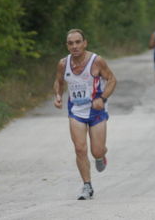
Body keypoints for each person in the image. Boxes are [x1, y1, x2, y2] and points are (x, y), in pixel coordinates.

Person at [53, 29, 117, 200]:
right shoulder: (63, 64)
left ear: (84, 43)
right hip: (76, 111)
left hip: (96, 111)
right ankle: (87, 186)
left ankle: (101, 155)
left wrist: (102, 98)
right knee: (80, 149)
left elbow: (112, 79)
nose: (74, 46)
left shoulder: (97, 61)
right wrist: (58, 95)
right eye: (71, 43)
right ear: (67, 45)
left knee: (96, 151)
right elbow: (59, 82)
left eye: (78, 42)